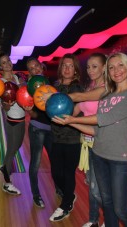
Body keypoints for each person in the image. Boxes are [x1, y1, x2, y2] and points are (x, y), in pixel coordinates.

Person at [53, 52, 127, 227]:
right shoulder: (106, 96)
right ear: (108, 71)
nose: (116, 70)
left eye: (120, 65)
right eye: (112, 67)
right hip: (98, 154)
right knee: (108, 205)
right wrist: (69, 122)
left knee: (121, 210)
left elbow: (106, 118)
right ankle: (97, 220)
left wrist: (73, 119)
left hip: (121, 158)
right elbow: (96, 129)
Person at [48, 53, 84, 222]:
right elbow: (46, 108)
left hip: (72, 138)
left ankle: (67, 203)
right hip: (55, 137)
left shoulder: (78, 88)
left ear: (75, 70)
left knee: (69, 173)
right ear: (60, 69)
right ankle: (69, 194)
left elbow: (78, 111)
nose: (67, 68)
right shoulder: (54, 87)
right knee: (56, 173)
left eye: (71, 66)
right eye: (65, 65)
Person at [73, 53, 107, 227]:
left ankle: (111, 218)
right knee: (91, 183)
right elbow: (79, 107)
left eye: (95, 66)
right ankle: (93, 219)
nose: (90, 70)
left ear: (103, 67)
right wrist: (62, 115)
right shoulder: (91, 86)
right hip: (86, 142)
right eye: (88, 67)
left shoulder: (107, 88)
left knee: (96, 186)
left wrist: (72, 120)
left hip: (100, 142)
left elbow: (81, 99)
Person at [0, 52, 25, 195]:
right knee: (12, 149)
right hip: (12, 119)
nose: (7, 64)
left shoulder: (18, 78)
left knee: (17, 146)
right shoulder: (0, 82)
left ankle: (4, 167)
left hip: (22, 117)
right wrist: (8, 104)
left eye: (8, 61)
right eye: (3, 62)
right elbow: (4, 106)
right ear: (0, 66)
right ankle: (7, 182)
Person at [24, 57, 52, 208]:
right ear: (29, 72)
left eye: (36, 66)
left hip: (53, 129)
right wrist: (29, 111)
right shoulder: (29, 88)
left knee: (55, 162)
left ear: (41, 66)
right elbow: (35, 114)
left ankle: (60, 189)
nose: (35, 69)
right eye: (31, 69)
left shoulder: (51, 82)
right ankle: (36, 194)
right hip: (37, 128)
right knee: (35, 163)